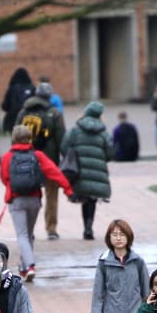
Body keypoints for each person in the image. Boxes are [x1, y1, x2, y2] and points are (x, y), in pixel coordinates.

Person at [1, 124, 73, 282]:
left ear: (14, 138)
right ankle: (24, 266)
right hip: (34, 199)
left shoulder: (8, 157)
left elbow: (4, 177)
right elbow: (54, 172)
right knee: (29, 234)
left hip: (16, 200)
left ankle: (30, 266)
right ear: (29, 138)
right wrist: (67, 189)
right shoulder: (37, 155)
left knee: (22, 234)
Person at [16, 82, 67, 240]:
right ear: (50, 96)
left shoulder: (24, 112)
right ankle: (51, 229)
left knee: (29, 194)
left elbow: (16, 135)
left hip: (27, 159)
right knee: (51, 196)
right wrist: (65, 157)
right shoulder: (55, 113)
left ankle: (28, 229)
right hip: (49, 161)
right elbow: (61, 138)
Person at [61, 101, 115, 241]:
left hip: (79, 170)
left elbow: (64, 147)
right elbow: (110, 153)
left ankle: (86, 227)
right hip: (97, 170)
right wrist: (101, 159)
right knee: (92, 199)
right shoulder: (103, 133)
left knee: (84, 198)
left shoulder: (75, 130)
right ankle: (88, 227)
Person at [0, 67, 33, 131]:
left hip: (13, 120)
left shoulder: (12, 88)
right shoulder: (32, 88)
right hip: (30, 120)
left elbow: (5, 106)